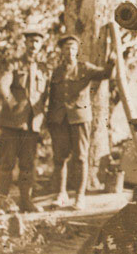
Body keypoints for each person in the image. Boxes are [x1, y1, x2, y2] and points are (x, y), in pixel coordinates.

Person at [47, 34, 113, 210]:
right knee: (59, 158)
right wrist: (50, 120)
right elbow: (51, 97)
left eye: (73, 48)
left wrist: (112, 61)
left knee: (81, 157)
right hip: (59, 119)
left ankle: (79, 196)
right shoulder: (56, 71)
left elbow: (105, 74)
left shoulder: (85, 68)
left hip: (79, 118)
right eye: (66, 48)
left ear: (77, 51)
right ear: (62, 51)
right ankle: (61, 195)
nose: (70, 51)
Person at [0, 26, 49, 213]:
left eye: (37, 42)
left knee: (28, 164)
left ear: (41, 45)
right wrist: (12, 104)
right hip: (12, 123)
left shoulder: (43, 69)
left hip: (32, 125)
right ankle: (3, 202)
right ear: (25, 43)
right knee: (7, 163)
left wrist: (43, 121)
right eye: (31, 41)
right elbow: (3, 84)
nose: (33, 45)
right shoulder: (14, 63)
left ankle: (26, 201)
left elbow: (45, 96)